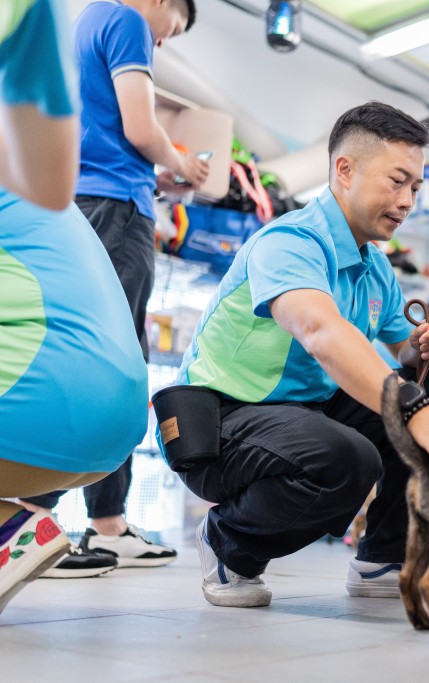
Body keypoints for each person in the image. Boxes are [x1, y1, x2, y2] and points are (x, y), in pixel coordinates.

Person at [165, 102, 429, 608]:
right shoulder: (290, 241)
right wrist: (411, 412)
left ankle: (385, 558)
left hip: (304, 414)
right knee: (345, 458)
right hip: (221, 422)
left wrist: (427, 342)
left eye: (416, 187)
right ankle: (228, 545)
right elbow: (320, 332)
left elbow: (402, 348)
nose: (408, 200)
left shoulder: (372, 265)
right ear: (344, 170)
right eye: (398, 181)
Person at [20, 0, 209, 577]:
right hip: (118, 211)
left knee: (83, 349)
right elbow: (139, 125)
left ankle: (95, 520)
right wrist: (183, 164)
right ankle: (42, 520)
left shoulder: (82, 24)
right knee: (117, 362)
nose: (165, 42)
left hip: (81, 203)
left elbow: (100, 134)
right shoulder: (128, 22)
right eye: (173, 27)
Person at [0, 0, 149, 614]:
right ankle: (11, 531)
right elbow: (56, 170)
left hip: (40, 404)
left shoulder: (117, 18)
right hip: (109, 422)